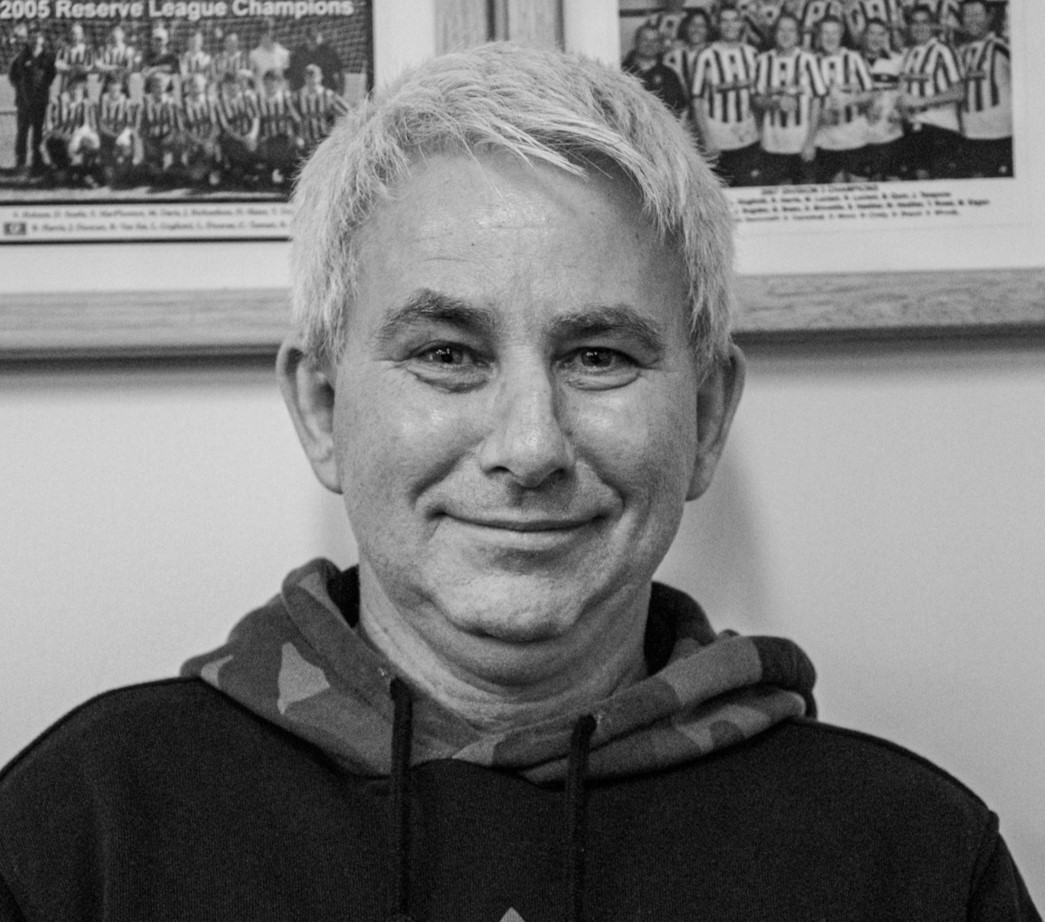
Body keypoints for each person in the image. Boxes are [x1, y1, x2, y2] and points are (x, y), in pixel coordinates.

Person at [0, 42, 1040, 922]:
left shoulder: (911, 856)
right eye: (447, 354)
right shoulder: (84, 825)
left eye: (599, 356)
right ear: (321, 408)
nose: (530, 446)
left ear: (707, 417)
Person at [691, 4, 762, 185]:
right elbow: (697, 100)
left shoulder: (752, 54)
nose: (730, 26)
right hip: (718, 139)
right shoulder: (706, 56)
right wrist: (707, 139)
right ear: (717, 25)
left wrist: (761, 131)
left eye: (734, 20)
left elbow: (758, 98)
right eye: (724, 21)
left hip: (748, 137)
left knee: (748, 191)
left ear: (741, 24)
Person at [754, 12, 827, 184]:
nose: (786, 35)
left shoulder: (808, 60)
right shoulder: (763, 60)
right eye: (781, 30)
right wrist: (775, 103)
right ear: (774, 33)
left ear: (798, 35)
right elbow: (757, 99)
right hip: (772, 144)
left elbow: (817, 102)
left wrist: (810, 142)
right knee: (776, 194)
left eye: (791, 30)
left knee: (806, 193)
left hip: (802, 144)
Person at [898, 4, 963, 179]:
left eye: (924, 22)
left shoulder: (944, 50)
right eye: (915, 22)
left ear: (933, 25)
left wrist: (921, 102)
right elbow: (905, 94)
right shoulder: (909, 53)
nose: (919, 27)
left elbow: (959, 92)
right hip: (914, 129)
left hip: (939, 128)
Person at [813, 15, 874, 182]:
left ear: (841, 34)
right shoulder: (812, 61)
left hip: (855, 136)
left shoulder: (854, 58)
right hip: (826, 139)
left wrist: (849, 100)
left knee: (859, 186)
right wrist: (820, 114)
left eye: (834, 32)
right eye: (825, 32)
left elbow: (870, 94)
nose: (830, 37)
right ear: (818, 35)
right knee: (834, 188)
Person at [955, 0, 1011, 178]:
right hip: (969, 135)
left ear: (989, 16)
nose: (972, 20)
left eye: (977, 14)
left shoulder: (1002, 47)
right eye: (967, 15)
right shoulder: (961, 52)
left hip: (999, 136)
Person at [860, 16, 906, 180]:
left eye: (881, 34)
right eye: (872, 33)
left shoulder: (897, 60)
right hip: (859, 137)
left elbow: (904, 92)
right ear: (864, 35)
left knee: (892, 182)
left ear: (886, 36)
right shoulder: (852, 60)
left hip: (890, 134)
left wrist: (899, 110)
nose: (876, 38)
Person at [7, 27, 55, 175]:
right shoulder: (20, 57)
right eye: (32, 37)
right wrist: (22, 92)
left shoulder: (48, 57)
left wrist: (41, 91)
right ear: (28, 39)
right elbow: (13, 77)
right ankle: (20, 162)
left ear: (42, 39)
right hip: (24, 102)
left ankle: (36, 162)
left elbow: (50, 77)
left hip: (40, 102)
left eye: (38, 37)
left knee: (38, 132)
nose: (35, 40)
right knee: (22, 131)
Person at [622, 24, 689, 117]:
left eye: (654, 41)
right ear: (635, 41)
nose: (649, 44)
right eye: (645, 39)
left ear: (660, 45)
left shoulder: (669, 74)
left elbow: (680, 108)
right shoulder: (623, 71)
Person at [288, 27, 344, 93]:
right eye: (310, 38)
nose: (312, 41)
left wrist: (340, 92)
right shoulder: (298, 54)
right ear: (306, 38)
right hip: (304, 94)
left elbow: (340, 73)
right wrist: (293, 92)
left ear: (318, 37)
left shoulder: (329, 52)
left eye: (314, 38)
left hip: (326, 93)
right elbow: (291, 76)